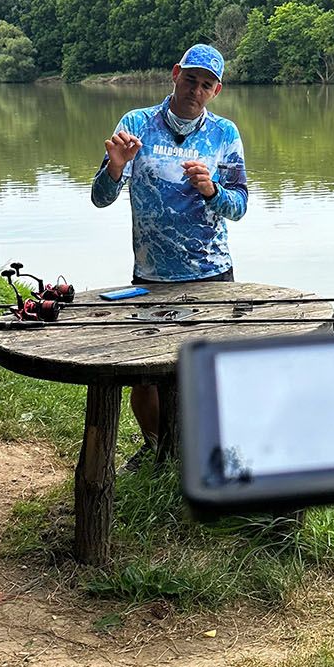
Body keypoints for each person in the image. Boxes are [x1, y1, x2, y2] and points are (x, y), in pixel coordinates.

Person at [90, 43, 248, 453]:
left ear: (217, 91)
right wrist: (116, 167)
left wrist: (213, 190)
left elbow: (240, 206)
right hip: (151, 276)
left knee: (212, 371)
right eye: (191, 79)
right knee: (145, 374)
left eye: (206, 84)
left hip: (212, 273)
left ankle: (207, 450)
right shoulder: (136, 123)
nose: (196, 90)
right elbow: (100, 198)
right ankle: (158, 449)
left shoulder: (225, 134)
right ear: (176, 73)